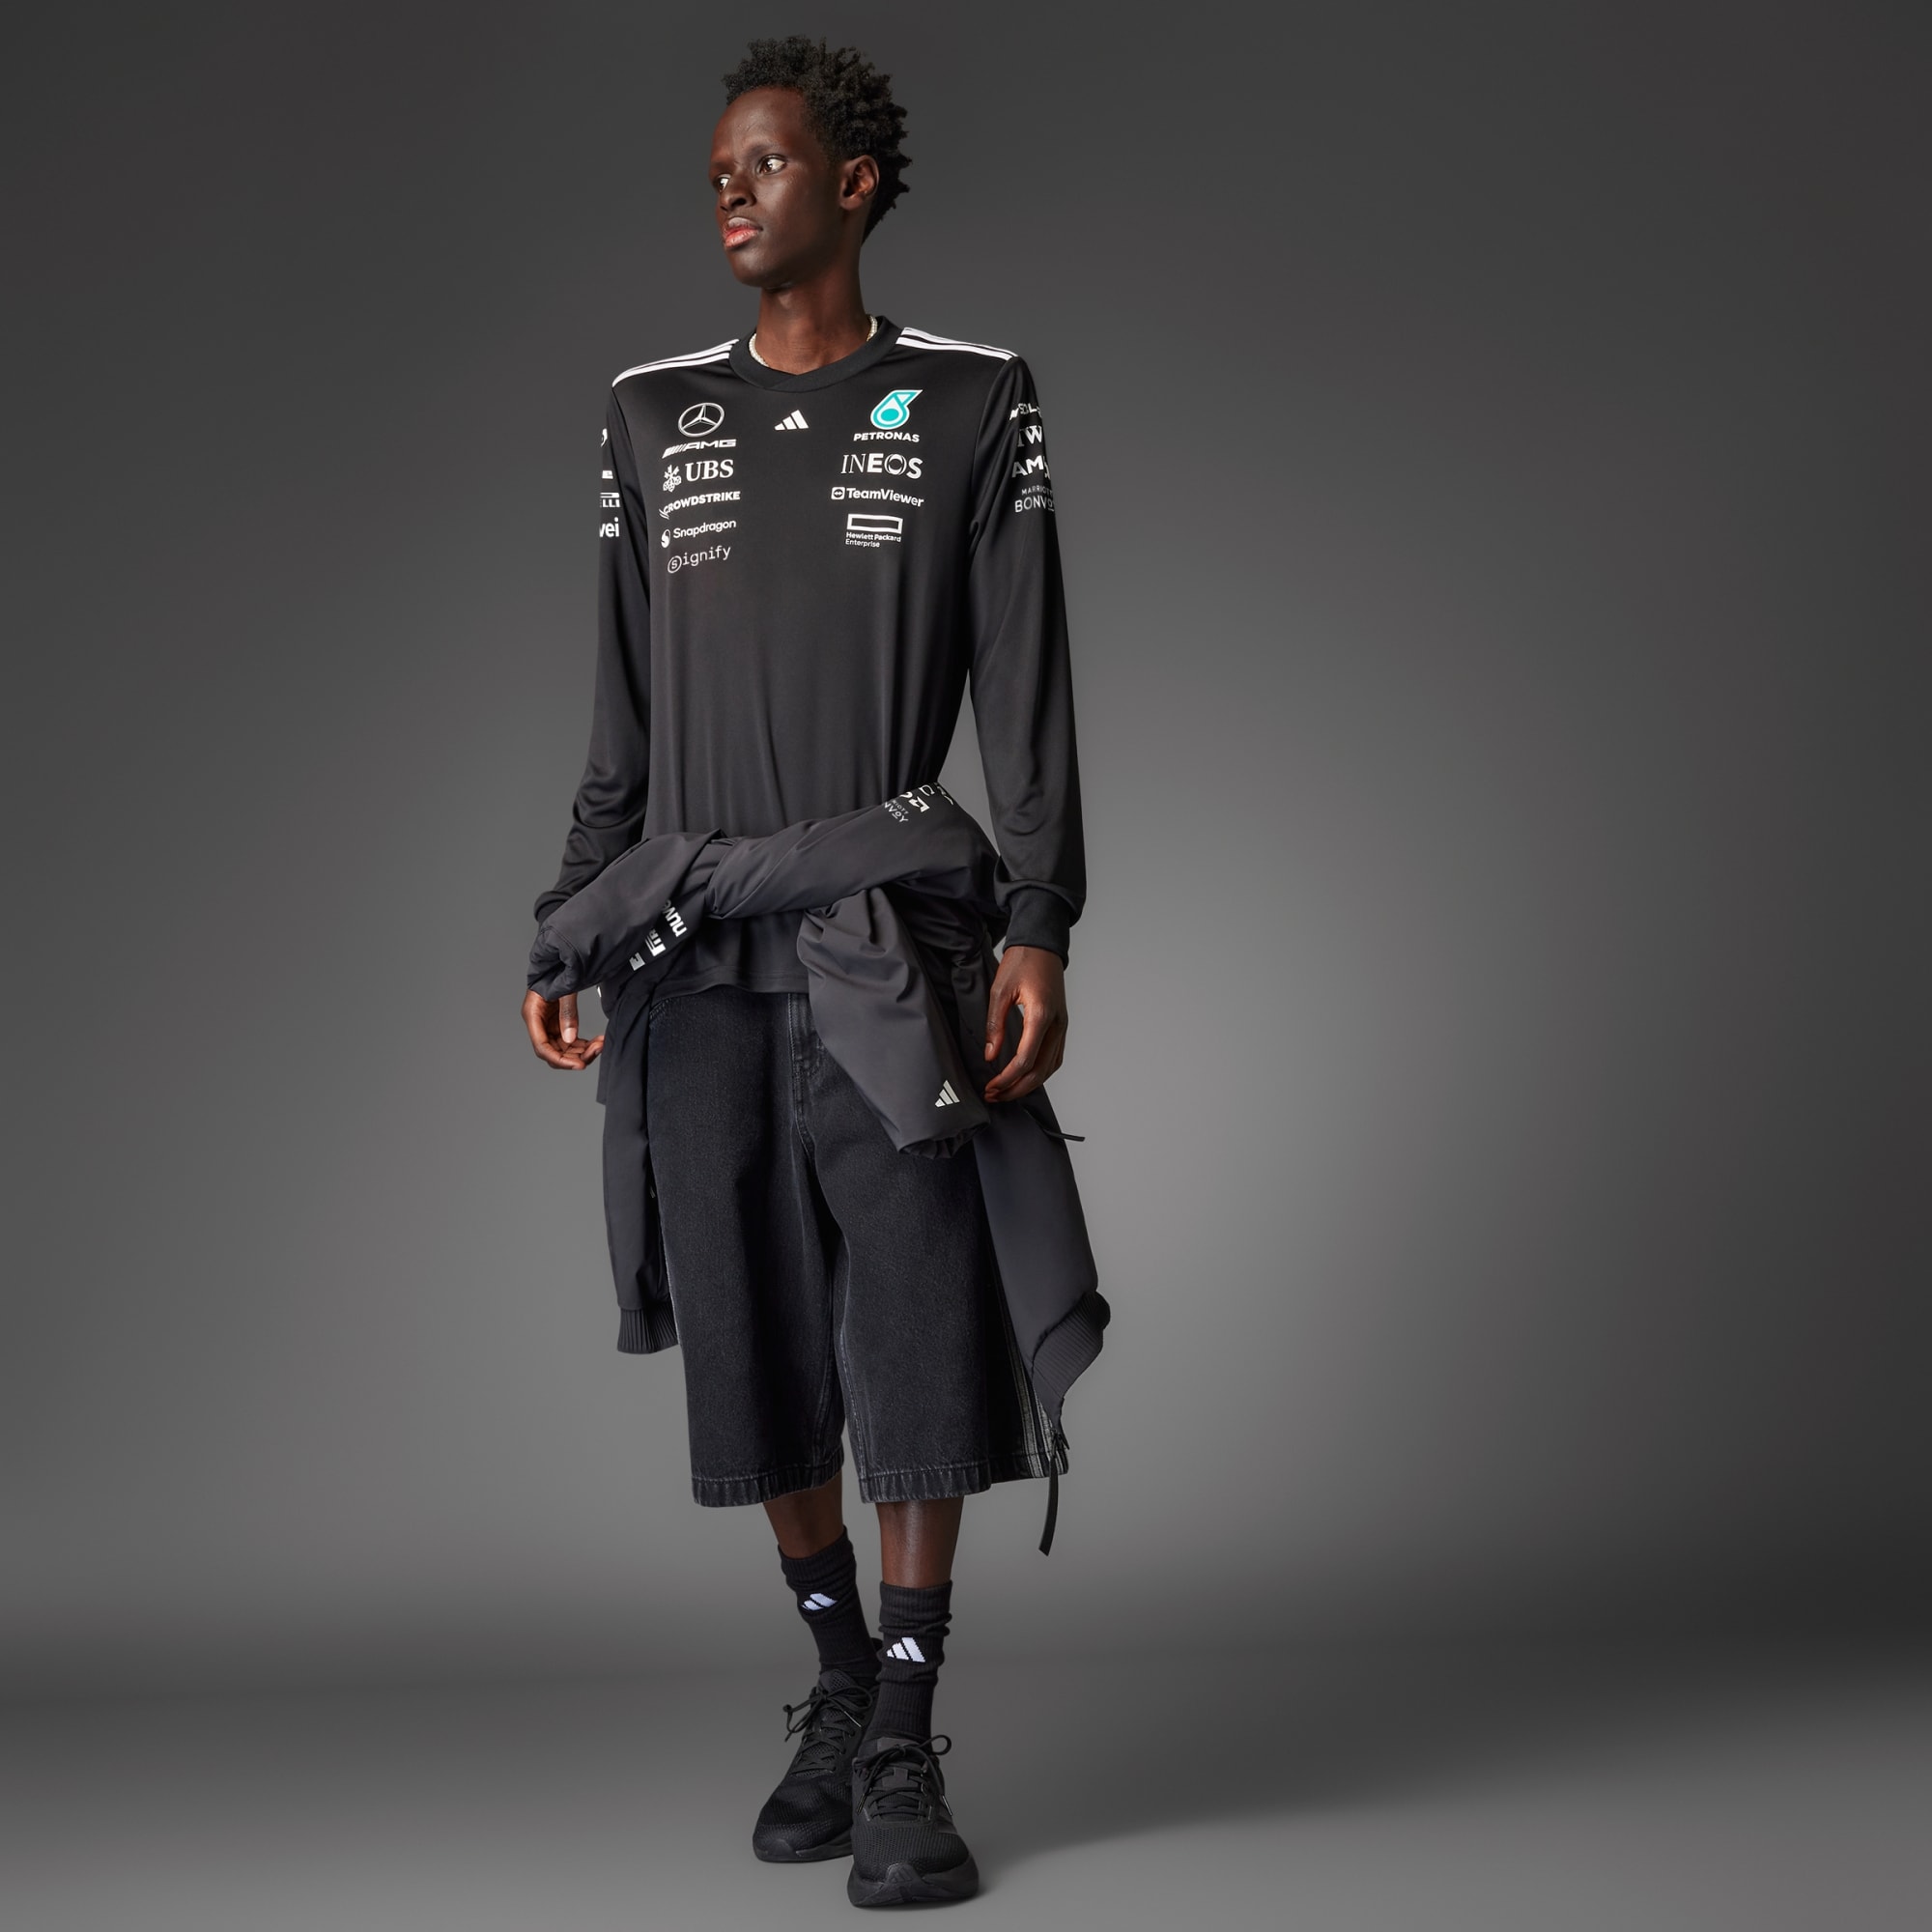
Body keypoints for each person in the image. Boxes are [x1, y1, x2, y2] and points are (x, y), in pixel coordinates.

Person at [521, 37, 1088, 1909]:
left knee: (914, 1333)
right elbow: (619, 718)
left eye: (763, 162)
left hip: (887, 958)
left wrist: (1036, 919)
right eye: (716, 169)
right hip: (693, 965)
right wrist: (570, 915)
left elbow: (1026, 699)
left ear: (851, 183)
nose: (729, 189)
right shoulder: (648, 415)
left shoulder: (974, 397)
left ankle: (909, 1729)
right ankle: (838, 1681)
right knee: (755, 1341)